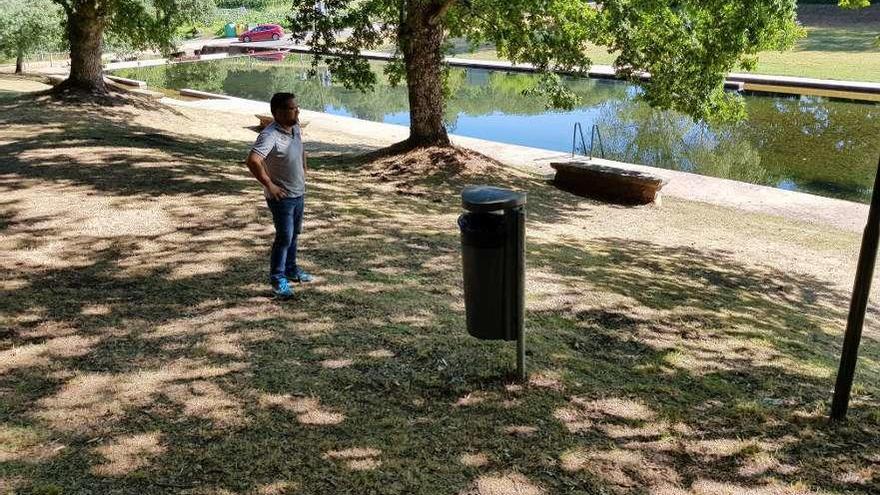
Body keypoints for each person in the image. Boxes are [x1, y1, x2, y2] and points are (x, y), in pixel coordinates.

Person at [245, 92, 313, 298]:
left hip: (298, 193)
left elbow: (301, 151)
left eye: (297, 107)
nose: (297, 111)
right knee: (284, 237)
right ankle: (278, 279)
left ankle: (291, 270)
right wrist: (270, 185)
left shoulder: (295, 128)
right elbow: (253, 161)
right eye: (293, 108)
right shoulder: (269, 134)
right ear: (278, 112)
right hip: (281, 197)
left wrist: (304, 170)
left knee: (294, 234)